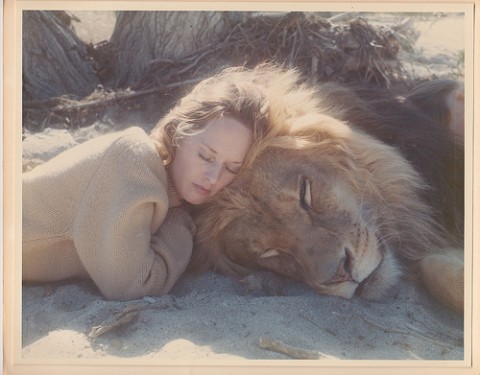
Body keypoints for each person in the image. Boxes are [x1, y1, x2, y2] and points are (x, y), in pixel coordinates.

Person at [22, 65, 284, 301]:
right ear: (176, 133)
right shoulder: (134, 160)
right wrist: (182, 220)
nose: (213, 177)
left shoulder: (160, 184)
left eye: (231, 168)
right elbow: (132, 285)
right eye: (205, 156)